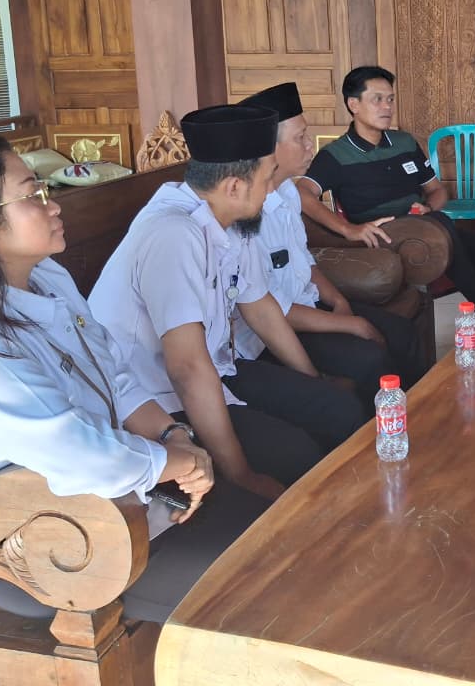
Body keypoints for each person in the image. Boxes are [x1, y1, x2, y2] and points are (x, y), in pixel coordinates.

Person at [0, 131, 267, 623]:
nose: (52, 205)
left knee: (276, 532)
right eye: (32, 195)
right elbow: (76, 452)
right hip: (53, 544)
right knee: (262, 582)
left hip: (123, 499)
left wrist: (173, 434)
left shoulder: (48, 279)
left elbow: (112, 374)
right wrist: (174, 462)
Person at [90, 104, 360, 499]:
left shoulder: (231, 220)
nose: (271, 190)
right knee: (295, 454)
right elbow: (185, 368)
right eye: (267, 178)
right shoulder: (173, 234)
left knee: (339, 409)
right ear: (234, 186)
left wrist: (313, 377)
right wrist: (240, 473)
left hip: (216, 369)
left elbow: (260, 307)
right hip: (152, 397)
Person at [234, 82, 426, 401]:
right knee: (369, 357)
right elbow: (267, 312)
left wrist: (338, 302)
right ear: (269, 150)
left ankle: (422, 413)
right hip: (278, 329)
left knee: (402, 332)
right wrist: (351, 326)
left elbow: (303, 260)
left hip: (309, 304)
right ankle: (381, 428)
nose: (310, 145)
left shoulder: (287, 192)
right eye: (300, 138)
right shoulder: (244, 215)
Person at [296, 65, 475, 306]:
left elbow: (437, 190)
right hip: (382, 234)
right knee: (442, 224)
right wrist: (348, 229)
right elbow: (302, 192)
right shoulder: (335, 155)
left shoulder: (404, 142)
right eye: (377, 99)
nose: (387, 107)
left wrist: (428, 207)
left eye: (390, 99)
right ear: (354, 105)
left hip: (425, 224)